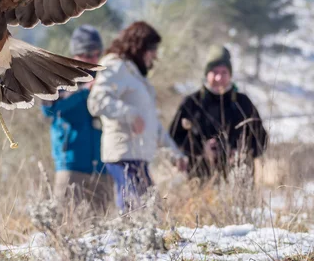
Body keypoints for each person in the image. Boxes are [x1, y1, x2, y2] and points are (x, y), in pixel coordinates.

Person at [87, 21, 186, 211]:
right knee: (137, 212)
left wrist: (174, 154)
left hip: (138, 157)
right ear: (139, 47)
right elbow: (96, 101)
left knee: (150, 211)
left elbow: (151, 122)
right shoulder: (115, 66)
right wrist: (129, 114)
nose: (155, 55)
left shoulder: (134, 74)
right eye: (152, 49)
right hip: (123, 155)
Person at [169, 45, 268, 180]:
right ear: (206, 74)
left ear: (230, 74)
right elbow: (174, 139)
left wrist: (239, 152)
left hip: (238, 182)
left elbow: (261, 139)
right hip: (199, 180)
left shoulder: (243, 103)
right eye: (214, 72)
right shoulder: (192, 103)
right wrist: (201, 150)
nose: (219, 78)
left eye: (224, 72)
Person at [42, 25, 111, 211]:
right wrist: (83, 92)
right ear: (75, 54)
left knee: (102, 228)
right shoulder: (60, 78)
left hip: (102, 165)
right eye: (87, 55)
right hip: (70, 163)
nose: (93, 60)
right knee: (64, 223)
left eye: (97, 54)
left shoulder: (105, 77)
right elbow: (49, 111)